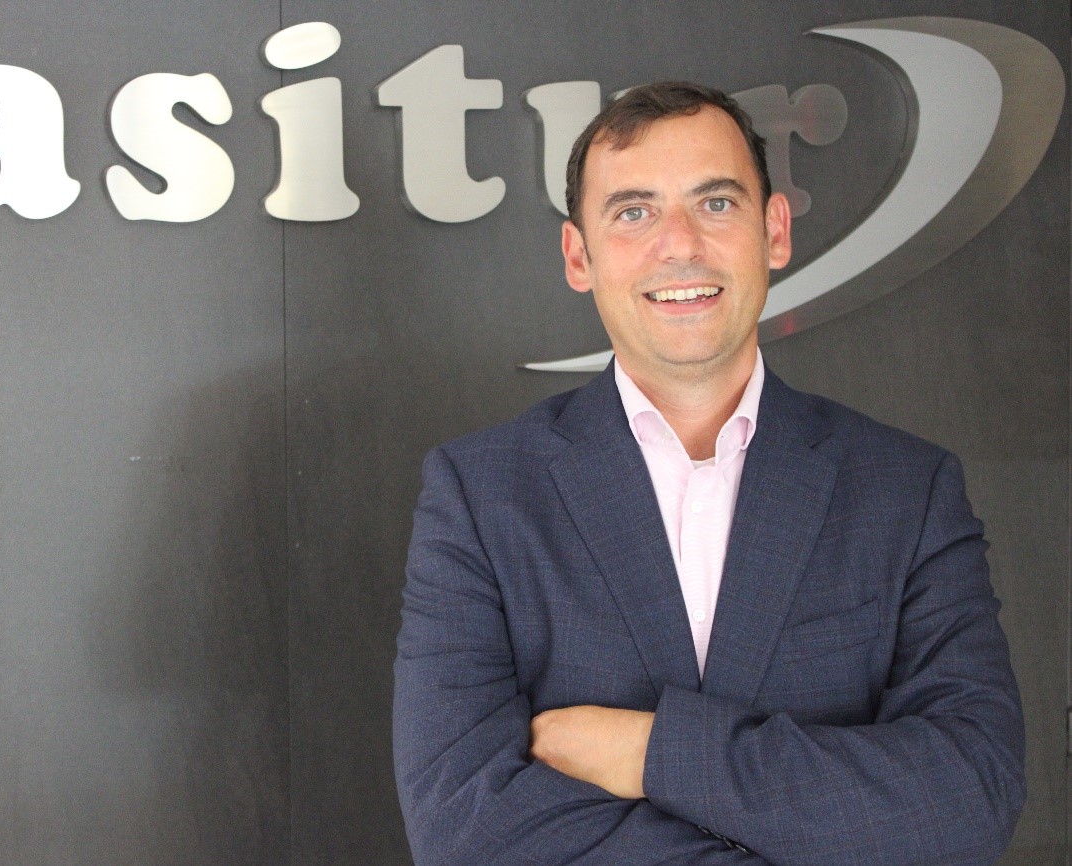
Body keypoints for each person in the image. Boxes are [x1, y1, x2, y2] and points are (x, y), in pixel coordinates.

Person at [393, 81, 1025, 865]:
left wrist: (651, 753)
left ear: (774, 231)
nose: (679, 245)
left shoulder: (906, 491)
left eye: (715, 203)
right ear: (578, 257)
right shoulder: (481, 495)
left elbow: (970, 796)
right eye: (633, 212)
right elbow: (462, 831)